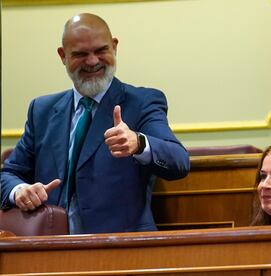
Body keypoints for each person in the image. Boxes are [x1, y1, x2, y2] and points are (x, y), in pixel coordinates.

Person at [0, 13, 190, 234]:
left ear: (114, 47)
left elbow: (179, 161)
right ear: (63, 55)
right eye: (81, 54)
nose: (92, 61)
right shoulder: (41, 110)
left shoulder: (142, 102)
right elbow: (8, 174)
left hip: (121, 252)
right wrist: (20, 190)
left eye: (101, 51)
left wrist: (139, 143)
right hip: (49, 252)